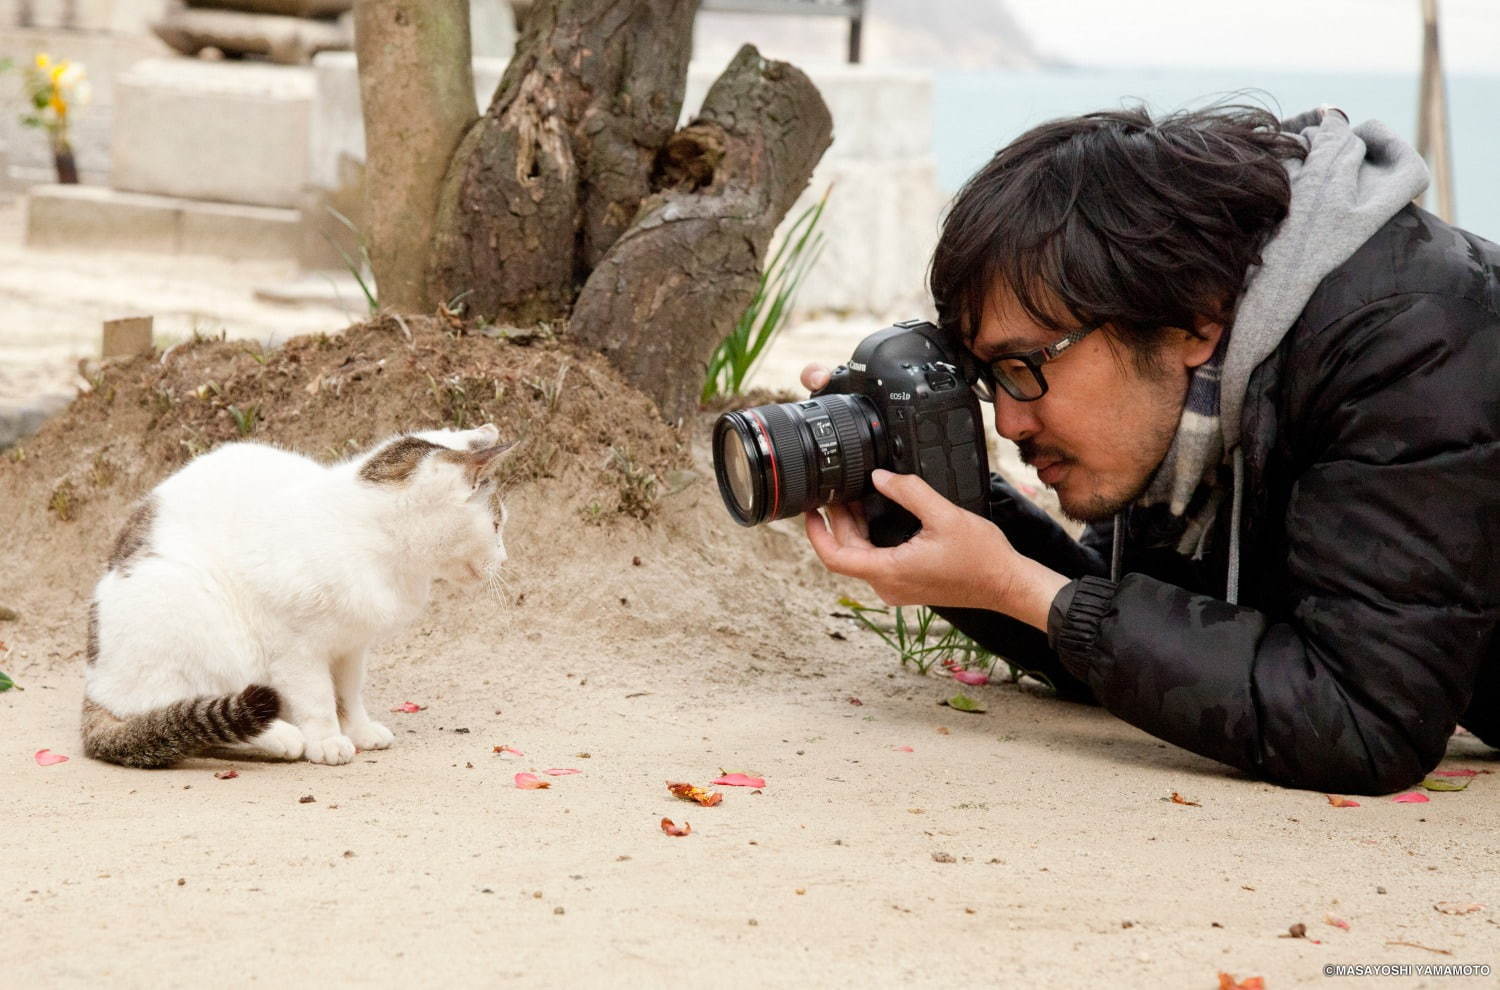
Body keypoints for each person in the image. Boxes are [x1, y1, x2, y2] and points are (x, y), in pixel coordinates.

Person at [800, 105, 1500, 795]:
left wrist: (1016, 586)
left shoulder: (1408, 343)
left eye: (1025, 365)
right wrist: (915, 494)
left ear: (1188, 318)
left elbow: (1365, 721)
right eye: (991, 379)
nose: (1009, 423)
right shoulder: (1207, 383)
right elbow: (1127, 629)